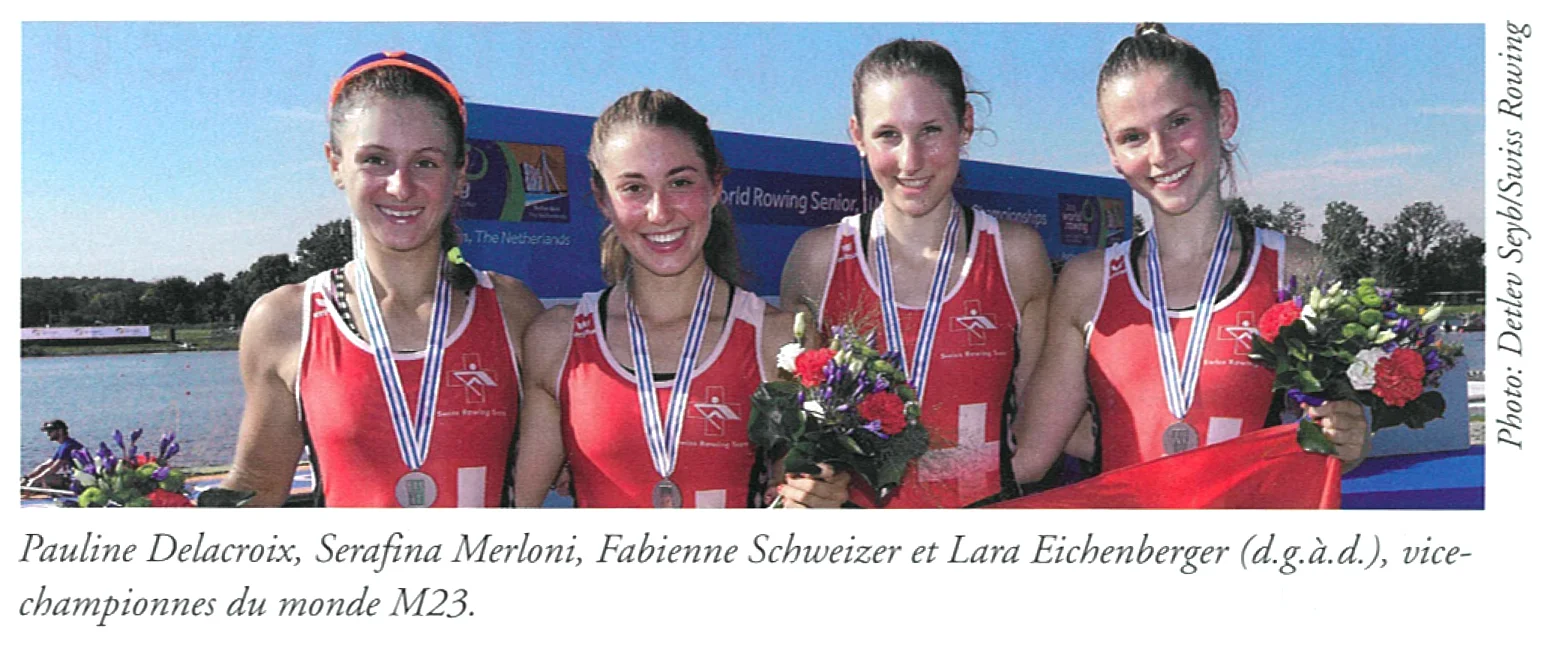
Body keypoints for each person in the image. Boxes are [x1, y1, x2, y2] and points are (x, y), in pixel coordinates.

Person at [1012, 24, 1368, 485]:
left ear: (1224, 115)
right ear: (1112, 151)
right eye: (1133, 136)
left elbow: (1337, 434)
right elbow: (1029, 455)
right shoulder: (1088, 282)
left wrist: (1349, 436)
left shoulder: (1296, 269)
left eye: (1178, 122)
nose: (1160, 154)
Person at [221, 51, 542, 507]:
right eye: (375, 159)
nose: (400, 187)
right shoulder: (285, 320)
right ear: (335, 164)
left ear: (460, 171)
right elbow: (258, 486)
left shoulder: (514, 310)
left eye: (426, 163)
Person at [514, 89, 847, 509]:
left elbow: (799, 500)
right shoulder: (557, 340)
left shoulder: (778, 341)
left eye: (680, 183)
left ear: (715, 187)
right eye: (634, 188)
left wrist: (819, 498)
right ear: (603, 201)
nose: (659, 212)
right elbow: (514, 514)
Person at [780, 39, 1054, 508]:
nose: (911, 161)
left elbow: (1037, 431)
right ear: (857, 136)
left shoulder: (1016, 255)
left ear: (965, 124)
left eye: (930, 130)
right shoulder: (818, 259)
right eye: (888, 134)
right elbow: (794, 435)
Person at [22, 419, 83, 490]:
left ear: (60, 431)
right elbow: (46, 465)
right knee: (37, 479)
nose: (48, 434)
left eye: (50, 431)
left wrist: (35, 480)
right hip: (71, 478)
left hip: (78, 481)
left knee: (43, 479)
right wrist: (27, 477)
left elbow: (55, 468)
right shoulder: (64, 445)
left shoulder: (68, 446)